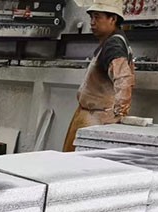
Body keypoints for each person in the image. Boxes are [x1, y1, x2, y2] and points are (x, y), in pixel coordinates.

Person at [63, 0, 135, 152]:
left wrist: (119, 114)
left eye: (97, 17)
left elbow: (124, 80)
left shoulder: (114, 45)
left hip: (97, 120)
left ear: (113, 19)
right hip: (91, 116)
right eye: (91, 17)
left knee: (78, 163)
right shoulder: (110, 42)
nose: (92, 22)